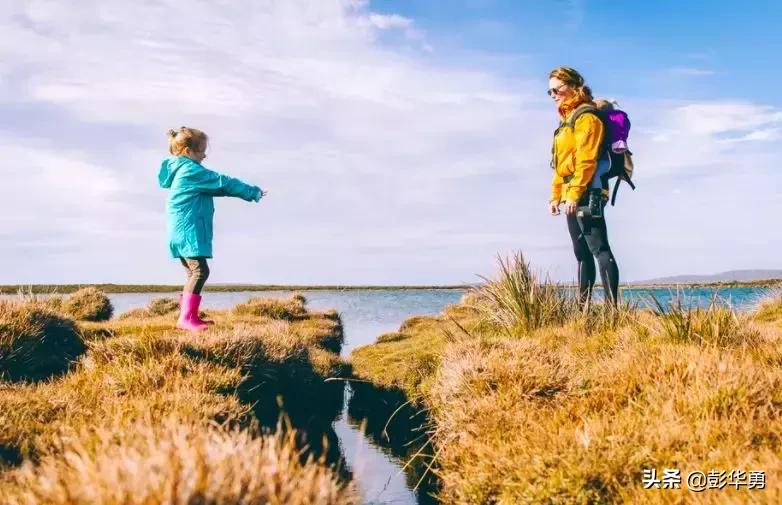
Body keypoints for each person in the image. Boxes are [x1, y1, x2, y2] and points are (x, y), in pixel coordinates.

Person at [158, 127, 267, 331]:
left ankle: (188, 317)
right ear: (188, 152)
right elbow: (222, 183)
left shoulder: (180, 170)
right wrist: (253, 192)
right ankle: (186, 318)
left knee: (192, 273)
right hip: (188, 230)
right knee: (200, 271)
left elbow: (219, 189)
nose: (204, 155)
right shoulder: (191, 171)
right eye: (201, 151)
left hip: (179, 231)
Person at [548, 67, 619, 307]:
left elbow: (586, 160)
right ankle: (582, 310)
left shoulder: (586, 118)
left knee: (599, 249)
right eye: (549, 92)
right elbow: (560, 165)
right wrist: (555, 196)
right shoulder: (565, 121)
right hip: (571, 193)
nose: (553, 95)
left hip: (589, 190)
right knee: (581, 253)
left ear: (573, 86)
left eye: (556, 89)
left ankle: (613, 312)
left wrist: (575, 194)